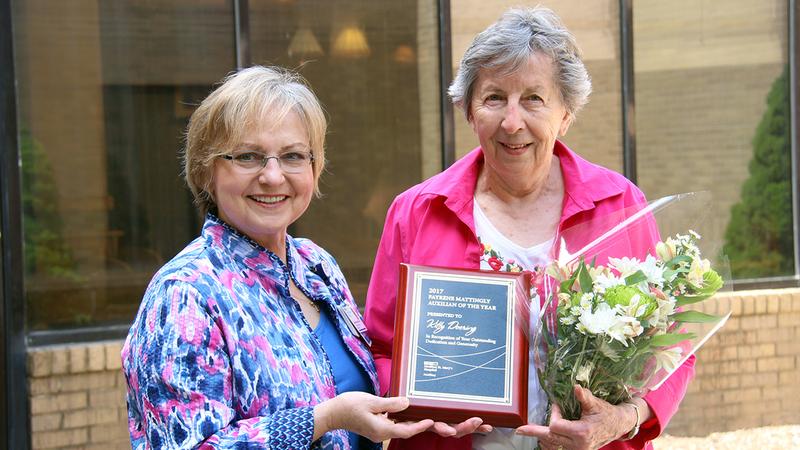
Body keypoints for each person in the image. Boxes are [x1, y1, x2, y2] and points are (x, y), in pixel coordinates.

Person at [364, 7, 694, 450]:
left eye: (534, 99)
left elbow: (672, 347)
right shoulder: (417, 211)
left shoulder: (620, 206)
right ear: (468, 111)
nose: (512, 122)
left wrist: (621, 419)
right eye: (494, 97)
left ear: (566, 113)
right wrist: (420, 405)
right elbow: (380, 350)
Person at [121, 66, 433, 449]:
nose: (272, 176)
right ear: (207, 171)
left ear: (315, 170)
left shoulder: (317, 266)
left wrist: (442, 403)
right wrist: (324, 420)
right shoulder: (185, 294)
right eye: (249, 156)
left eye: (292, 156)